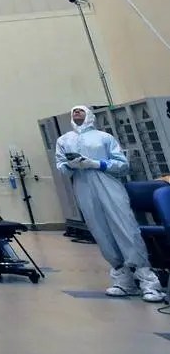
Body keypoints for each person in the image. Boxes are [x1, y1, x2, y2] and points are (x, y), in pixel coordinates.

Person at [56, 105, 164, 302]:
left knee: (126, 228)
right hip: (83, 186)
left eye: (80, 111)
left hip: (109, 184)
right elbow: (61, 167)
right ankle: (123, 281)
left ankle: (149, 282)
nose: (77, 114)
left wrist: (97, 164)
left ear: (89, 115)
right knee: (100, 231)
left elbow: (123, 165)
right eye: (74, 112)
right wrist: (72, 165)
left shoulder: (104, 138)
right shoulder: (64, 140)